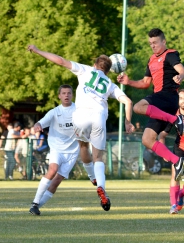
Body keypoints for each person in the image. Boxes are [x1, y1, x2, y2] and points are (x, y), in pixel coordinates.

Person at [27, 45, 135, 212]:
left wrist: (38, 51)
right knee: (98, 157)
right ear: (108, 70)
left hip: (81, 115)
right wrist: (128, 122)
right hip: (99, 116)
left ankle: (92, 178)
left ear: (94, 65)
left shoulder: (85, 70)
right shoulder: (110, 84)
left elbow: (61, 61)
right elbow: (128, 102)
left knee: (82, 145)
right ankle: (101, 187)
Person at [117, 28, 184, 181]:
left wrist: (180, 76)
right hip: (159, 104)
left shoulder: (170, 54)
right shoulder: (151, 59)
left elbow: (181, 69)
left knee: (137, 107)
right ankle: (177, 161)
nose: (152, 46)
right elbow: (145, 83)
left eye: (155, 42)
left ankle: (176, 120)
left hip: (168, 96)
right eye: (150, 43)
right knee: (147, 140)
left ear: (163, 41)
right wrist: (129, 82)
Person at [29, 84, 80, 215]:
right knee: (52, 170)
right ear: (59, 96)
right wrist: (37, 125)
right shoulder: (54, 112)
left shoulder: (79, 110)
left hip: (73, 151)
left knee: (57, 181)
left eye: (69, 93)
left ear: (72, 95)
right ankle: (35, 202)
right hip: (57, 148)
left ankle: (36, 206)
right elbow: (41, 122)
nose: (66, 95)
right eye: (63, 93)